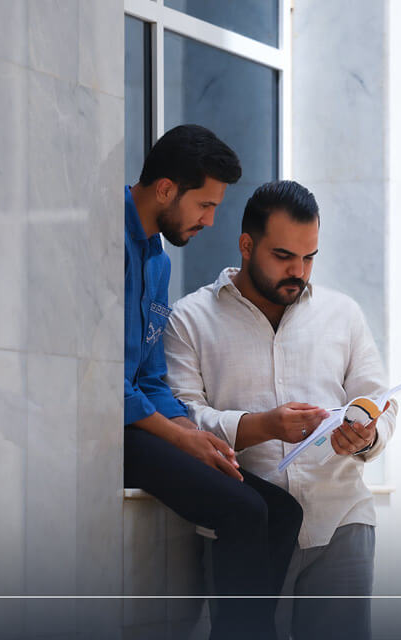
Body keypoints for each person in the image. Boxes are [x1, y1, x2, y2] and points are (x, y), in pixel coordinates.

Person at [164, 179, 399, 640]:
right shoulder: (190, 319)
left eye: (309, 257)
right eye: (284, 256)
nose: (299, 271)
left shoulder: (343, 314)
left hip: (342, 523)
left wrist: (366, 435)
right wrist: (262, 427)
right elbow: (182, 421)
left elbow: (382, 404)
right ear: (246, 245)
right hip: (245, 531)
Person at [123, 126, 303, 640]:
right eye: (204, 205)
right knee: (243, 510)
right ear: (166, 189)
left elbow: (149, 375)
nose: (210, 220)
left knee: (283, 511)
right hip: (105, 428)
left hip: (145, 422)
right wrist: (181, 437)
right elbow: (100, 380)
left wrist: (191, 432)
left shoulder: (158, 261)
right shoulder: (105, 242)